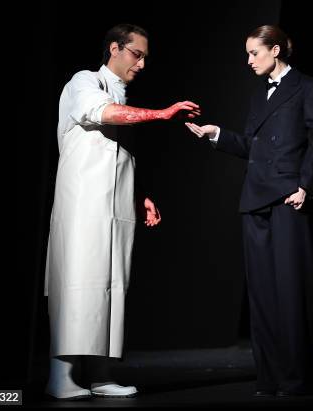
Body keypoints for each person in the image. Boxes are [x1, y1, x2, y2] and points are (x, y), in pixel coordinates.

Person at [44, 23, 200, 400]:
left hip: (116, 206)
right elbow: (103, 114)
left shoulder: (122, 94)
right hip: (83, 203)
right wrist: (162, 114)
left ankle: (100, 372)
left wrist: (141, 193)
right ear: (114, 48)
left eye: (146, 57)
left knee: (112, 286)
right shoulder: (85, 82)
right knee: (78, 283)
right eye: (137, 54)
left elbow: (118, 154)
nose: (142, 64)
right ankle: (60, 375)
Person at [185, 25, 313, 396]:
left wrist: (306, 186)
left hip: (287, 198)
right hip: (255, 200)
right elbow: (255, 147)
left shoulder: (308, 88)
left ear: (276, 50)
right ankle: (270, 378)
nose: (248, 61)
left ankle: (296, 380)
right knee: (263, 295)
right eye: (248, 54)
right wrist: (217, 135)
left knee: (291, 292)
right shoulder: (258, 97)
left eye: (254, 53)